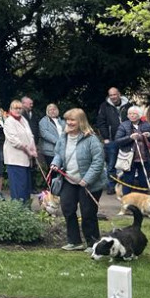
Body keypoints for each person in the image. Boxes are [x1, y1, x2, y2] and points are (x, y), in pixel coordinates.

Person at [50, 108, 105, 252]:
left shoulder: (91, 139)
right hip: (69, 180)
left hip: (89, 183)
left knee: (88, 213)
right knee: (68, 209)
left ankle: (93, 243)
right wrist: (56, 163)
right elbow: (58, 154)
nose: (69, 122)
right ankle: (74, 242)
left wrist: (86, 180)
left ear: (81, 121)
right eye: (67, 119)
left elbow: (98, 162)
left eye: (73, 120)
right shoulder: (63, 137)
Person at [113, 106, 150, 197]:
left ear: (139, 115)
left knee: (144, 181)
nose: (132, 116)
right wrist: (130, 138)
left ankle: (144, 201)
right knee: (128, 181)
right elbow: (117, 140)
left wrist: (149, 136)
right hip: (129, 158)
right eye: (130, 114)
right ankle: (126, 201)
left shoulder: (145, 124)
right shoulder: (123, 125)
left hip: (144, 158)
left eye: (134, 114)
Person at [95, 87, 129, 194]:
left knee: (126, 163)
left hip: (126, 139)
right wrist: (105, 137)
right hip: (111, 139)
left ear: (119, 94)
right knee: (111, 164)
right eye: (111, 95)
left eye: (115, 94)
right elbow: (101, 122)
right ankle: (111, 186)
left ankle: (125, 186)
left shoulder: (129, 105)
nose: (113, 97)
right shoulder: (104, 107)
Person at [2, 100, 38, 202]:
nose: (18, 110)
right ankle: (18, 210)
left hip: (26, 159)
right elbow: (14, 141)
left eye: (19, 108)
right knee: (18, 186)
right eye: (15, 108)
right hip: (15, 159)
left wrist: (34, 149)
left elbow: (30, 136)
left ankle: (26, 207)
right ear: (10, 109)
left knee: (26, 185)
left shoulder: (23, 120)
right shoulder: (9, 122)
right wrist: (28, 151)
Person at [38, 104, 65, 172]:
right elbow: (44, 134)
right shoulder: (44, 121)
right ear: (47, 111)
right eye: (50, 110)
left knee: (62, 170)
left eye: (54, 109)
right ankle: (50, 183)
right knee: (52, 171)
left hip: (62, 150)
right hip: (50, 151)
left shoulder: (61, 121)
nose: (53, 111)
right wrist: (58, 141)